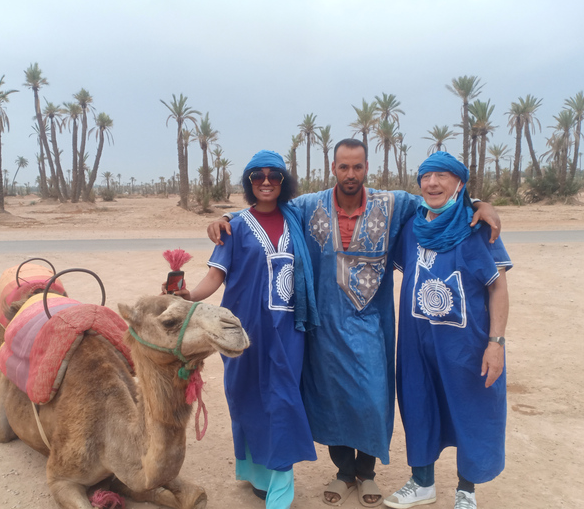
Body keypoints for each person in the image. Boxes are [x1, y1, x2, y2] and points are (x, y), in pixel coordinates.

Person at [208, 139, 502, 507]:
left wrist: (478, 203)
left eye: (357, 167)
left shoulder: (395, 204)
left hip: (373, 326)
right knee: (330, 398)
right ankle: (345, 472)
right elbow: (267, 208)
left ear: (367, 168)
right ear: (333, 168)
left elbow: (438, 201)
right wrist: (227, 218)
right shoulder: (308, 205)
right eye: (343, 167)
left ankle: (368, 473)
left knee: (373, 398)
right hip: (324, 325)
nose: (350, 174)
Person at [171, 150, 319, 509]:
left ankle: (281, 488)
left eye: (274, 176)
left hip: (288, 332)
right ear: (249, 183)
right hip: (242, 331)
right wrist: (189, 295)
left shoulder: (298, 218)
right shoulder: (235, 226)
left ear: (285, 182)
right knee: (247, 398)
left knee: (283, 401)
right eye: (257, 176)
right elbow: (215, 276)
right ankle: (259, 475)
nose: (266, 182)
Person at [384, 151, 511, 509]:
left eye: (442, 176)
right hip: (416, 342)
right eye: (426, 176)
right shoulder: (411, 227)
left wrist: (496, 343)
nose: (432, 183)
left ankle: (466, 491)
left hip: (465, 344)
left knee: (470, 409)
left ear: (459, 183)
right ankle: (422, 482)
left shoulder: (477, 227)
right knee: (418, 404)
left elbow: (497, 287)